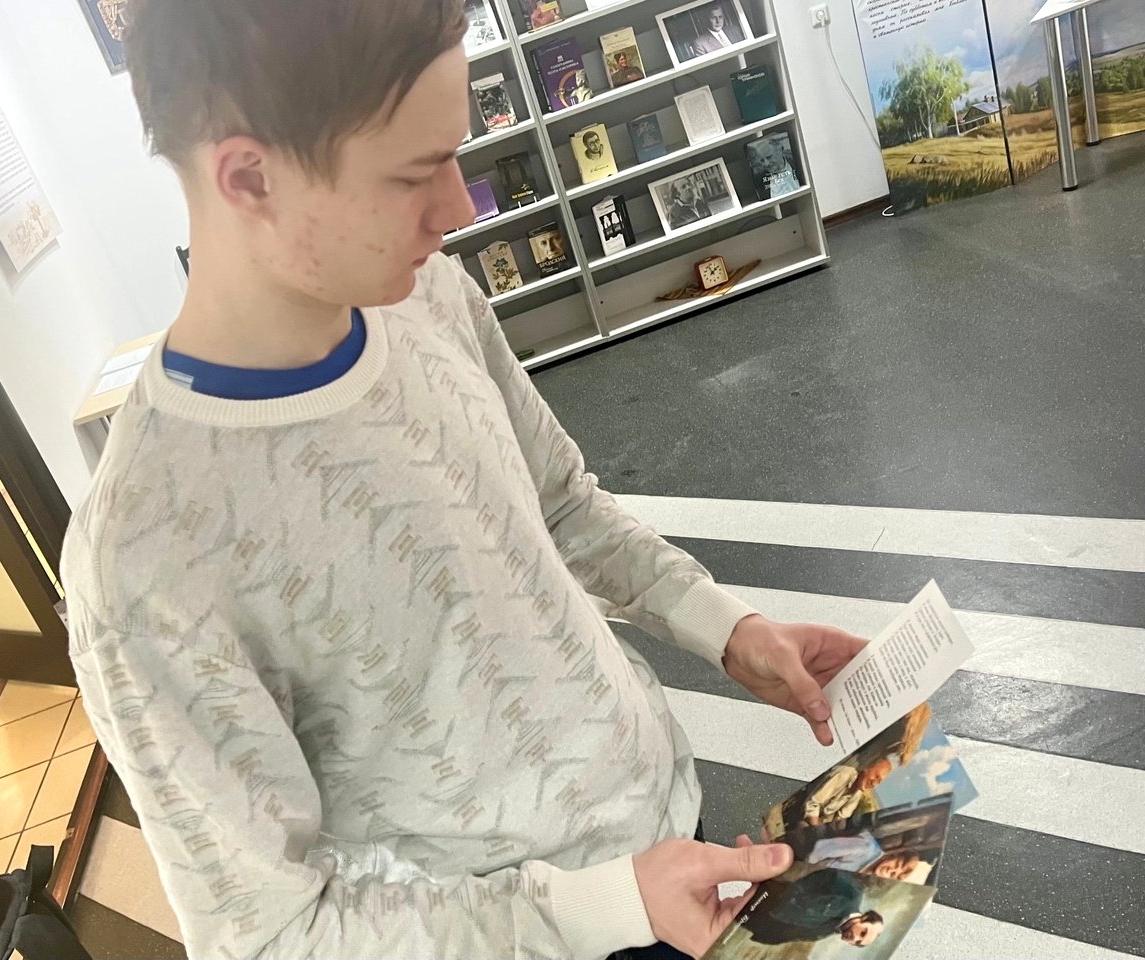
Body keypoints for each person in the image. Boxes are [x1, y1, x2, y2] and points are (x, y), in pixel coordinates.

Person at [62, 3, 868, 959]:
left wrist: (724, 628)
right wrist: (596, 910)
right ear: (249, 177)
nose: (459, 209)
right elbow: (270, 932)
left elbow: (561, 504)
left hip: (666, 829)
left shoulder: (429, 293)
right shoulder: (144, 561)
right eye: (413, 174)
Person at [744, 870, 886, 947]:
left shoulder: (825, 933)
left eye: (858, 942)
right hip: (769, 892)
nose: (855, 938)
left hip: (753, 918)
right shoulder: (852, 894)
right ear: (865, 917)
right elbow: (828, 875)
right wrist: (790, 893)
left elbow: (792, 935)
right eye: (863, 932)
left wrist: (762, 935)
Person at [798, 758, 893, 827]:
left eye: (879, 781)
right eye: (876, 776)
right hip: (799, 811)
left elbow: (840, 821)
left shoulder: (857, 794)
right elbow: (812, 804)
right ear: (867, 767)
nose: (874, 783)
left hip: (817, 824)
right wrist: (817, 830)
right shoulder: (844, 775)